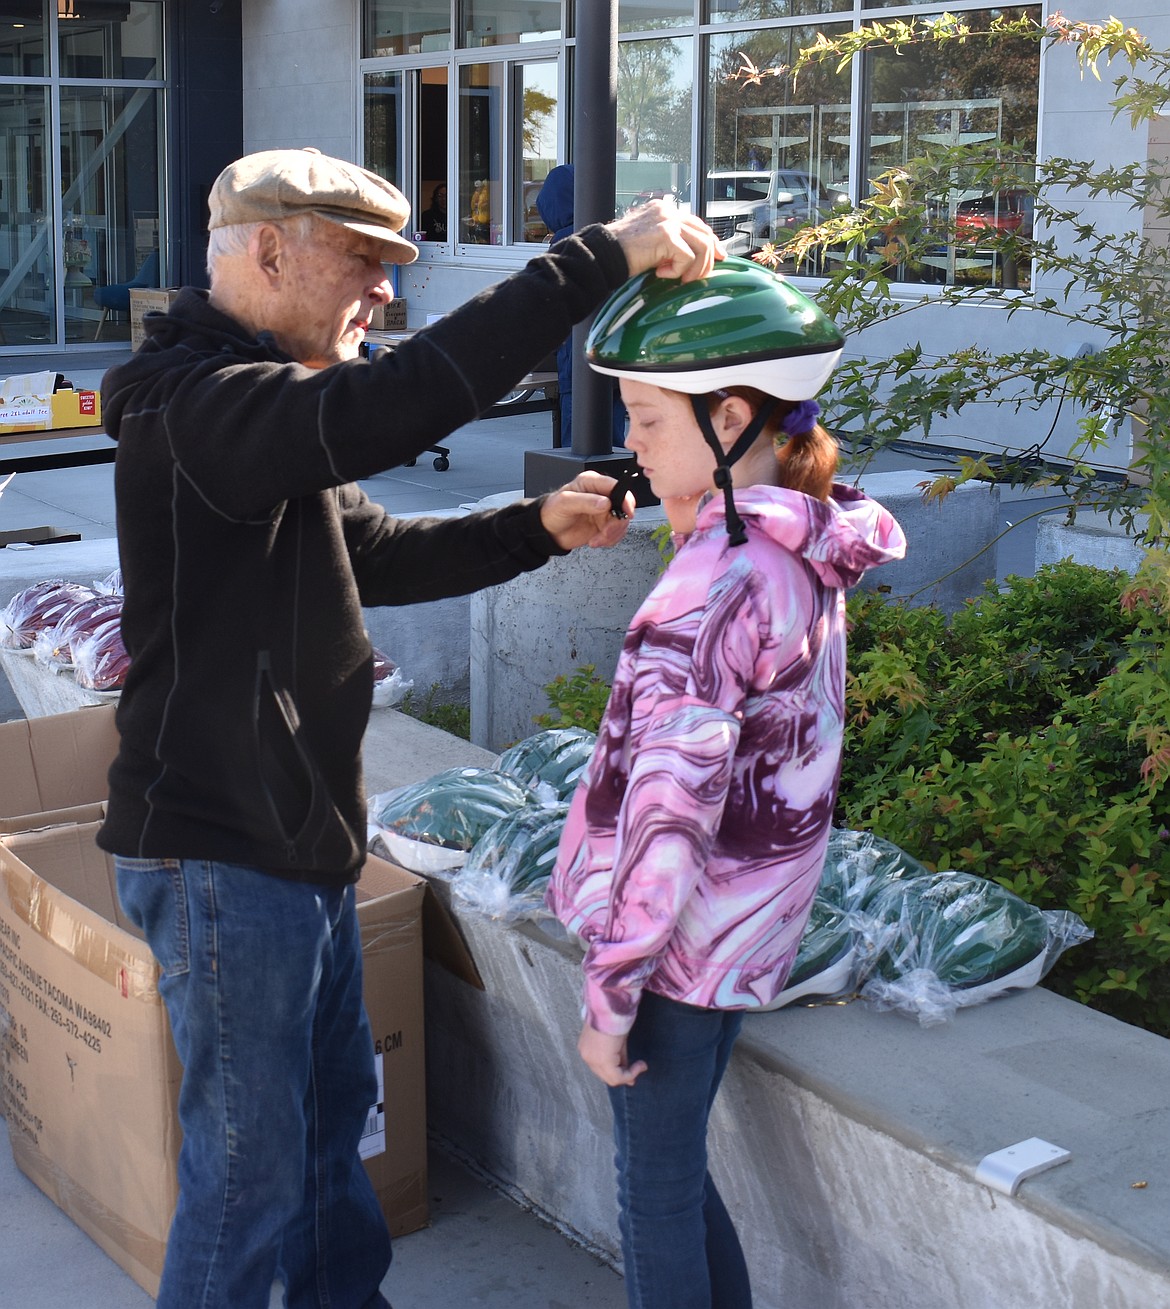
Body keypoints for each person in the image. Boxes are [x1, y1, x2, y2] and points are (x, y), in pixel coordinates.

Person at [96, 145, 720, 1309]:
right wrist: (598, 259)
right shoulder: (206, 408)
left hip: (297, 836)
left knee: (330, 1147)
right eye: (364, 262)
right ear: (269, 250)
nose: (386, 292)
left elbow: (369, 553)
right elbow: (404, 400)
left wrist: (530, 525)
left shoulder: (263, 407)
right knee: (251, 1180)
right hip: (222, 847)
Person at [546, 257, 907, 1309]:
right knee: (675, 1177)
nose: (632, 445)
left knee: (651, 1192)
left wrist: (610, 995)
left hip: (671, 952)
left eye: (648, 420)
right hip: (744, 934)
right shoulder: (801, 545)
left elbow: (668, 820)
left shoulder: (709, 587)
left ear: (732, 418)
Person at [535, 163, 628, 447]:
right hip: (616, 359)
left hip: (577, 366)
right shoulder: (611, 238)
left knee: (577, 447)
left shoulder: (563, 247)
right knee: (614, 444)